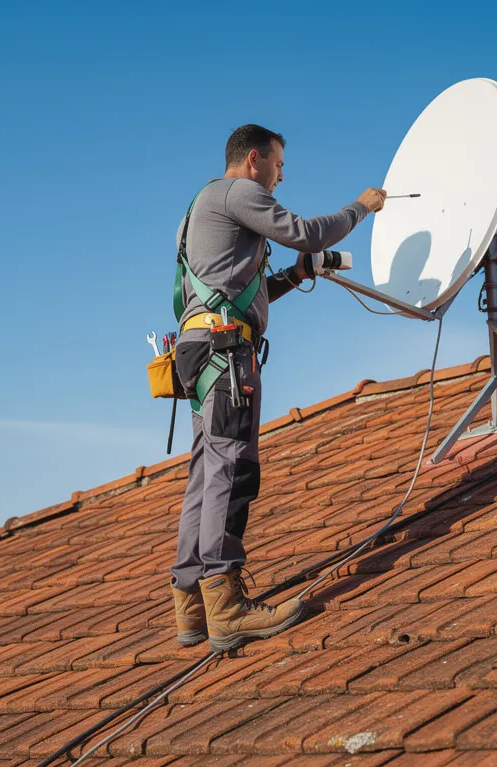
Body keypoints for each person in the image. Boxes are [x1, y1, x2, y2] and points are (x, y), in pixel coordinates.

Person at [169, 124, 385, 652]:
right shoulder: (241, 193)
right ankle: (226, 606)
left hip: (201, 352)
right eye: (279, 164)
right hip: (226, 356)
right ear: (254, 160)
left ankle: (192, 605)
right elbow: (309, 231)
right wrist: (361, 207)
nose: (282, 175)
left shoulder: (203, 205)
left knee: (206, 470)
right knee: (232, 468)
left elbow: (244, 290)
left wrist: (292, 277)